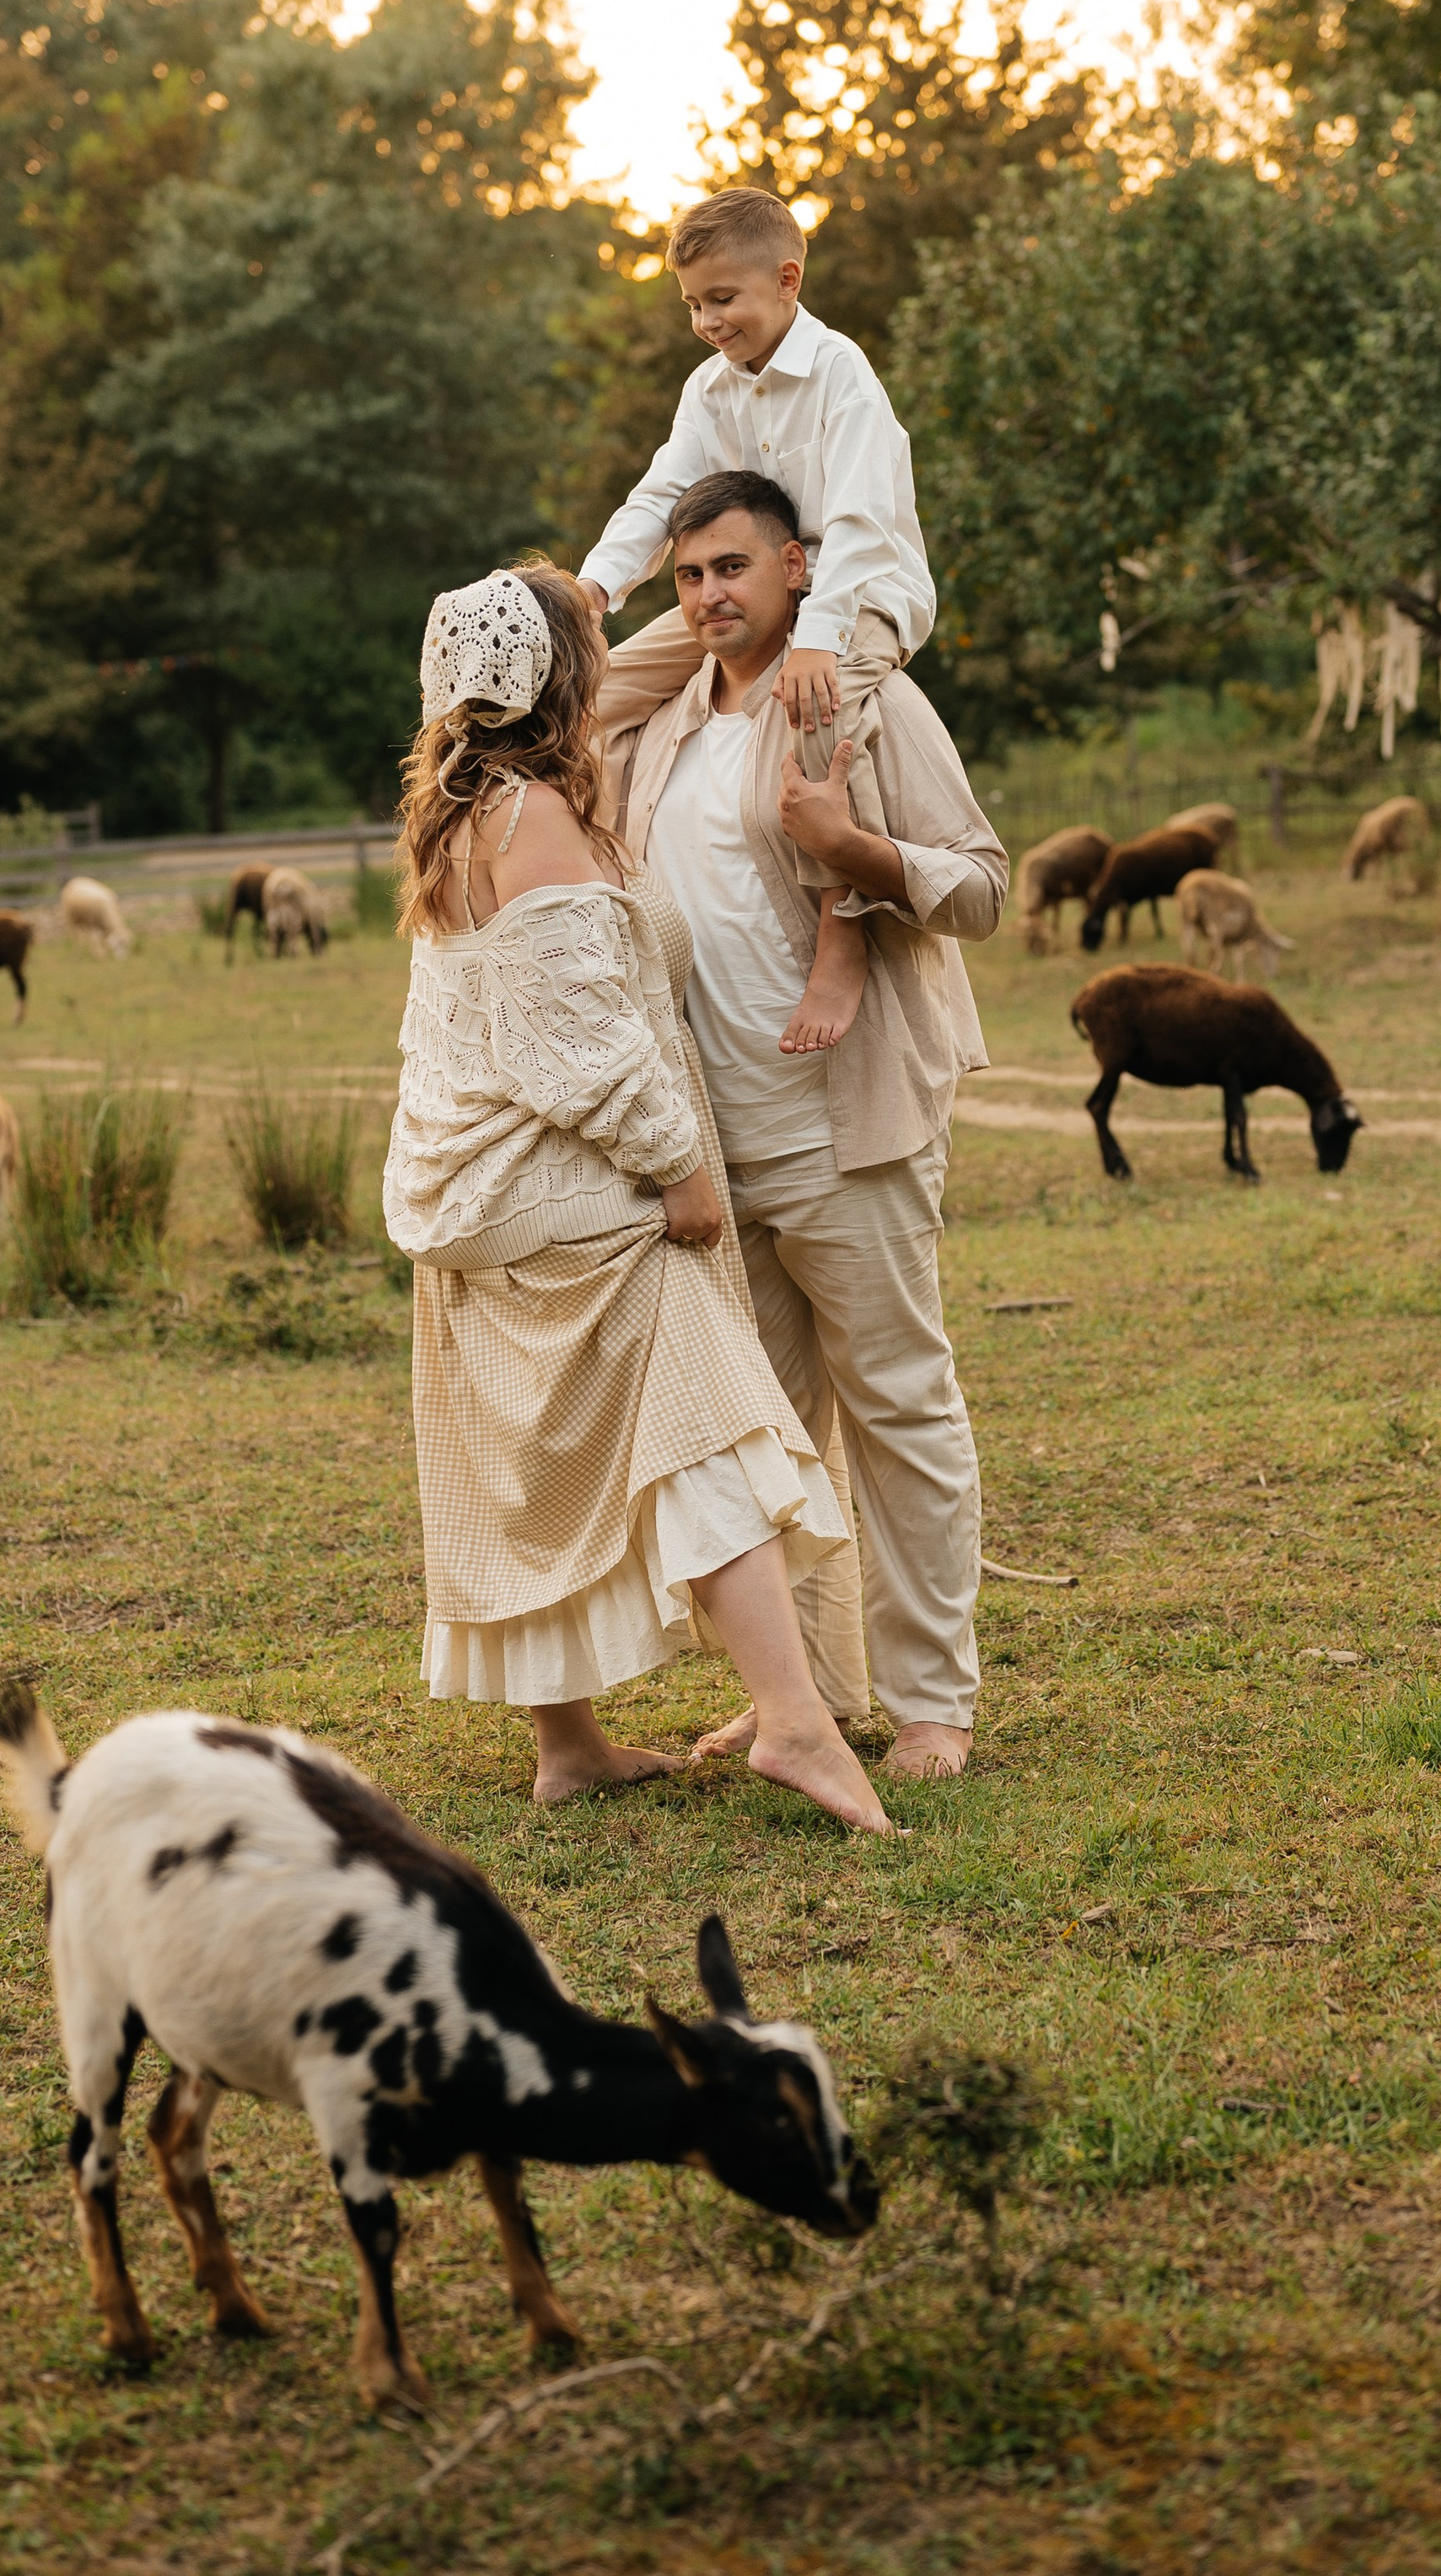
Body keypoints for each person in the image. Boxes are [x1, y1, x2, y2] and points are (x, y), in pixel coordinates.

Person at [384, 559, 890, 1834]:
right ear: (559, 676)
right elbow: (583, 1043)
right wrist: (682, 1174)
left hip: (466, 1184)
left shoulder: (462, 811)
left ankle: (569, 1748)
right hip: (555, 1184)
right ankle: (793, 1720)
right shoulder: (535, 821)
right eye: (588, 649)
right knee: (703, 1421)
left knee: (534, 1453)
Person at [602, 473, 1008, 1780]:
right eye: (689, 578)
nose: (712, 596)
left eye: (733, 567)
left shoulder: (869, 704)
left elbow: (983, 886)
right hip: (711, 1149)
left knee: (897, 1404)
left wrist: (860, 850)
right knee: (767, 1434)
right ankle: (810, 1703)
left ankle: (933, 1700)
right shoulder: (659, 725)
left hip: (847, 1124)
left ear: (794, 565)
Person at [573, 186, 935, 1061]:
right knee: (600, 687)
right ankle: (595, 885)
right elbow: (664, 491)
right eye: (693, 303)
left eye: (721, 298)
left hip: (861, 591)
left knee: (814, 703)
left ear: (785, 279)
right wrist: (593, 587)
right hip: (755, 586)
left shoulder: (841, 373)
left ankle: (841, 924)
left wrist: (817, 638)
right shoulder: (708, 390)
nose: (705, 320)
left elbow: (856, 518)